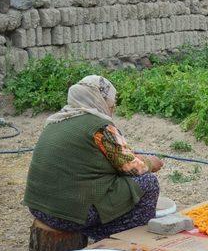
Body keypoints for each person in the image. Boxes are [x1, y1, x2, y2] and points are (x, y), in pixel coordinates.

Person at [23, 75, 164, 241]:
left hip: (39, 207)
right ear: (100, 100)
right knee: (149, 182)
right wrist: (151, 162)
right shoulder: (100, 127)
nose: (113, 108)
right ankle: (121, 236)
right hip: (67, 217)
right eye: (112, 103)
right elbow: (134, 168)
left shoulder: (57, 120)